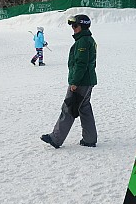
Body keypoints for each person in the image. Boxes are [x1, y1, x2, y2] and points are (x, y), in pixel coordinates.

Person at [41, 14, 97, 149]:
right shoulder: (87, 40)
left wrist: (74, 82)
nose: (73, 28)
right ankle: (90, 139)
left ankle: (56, 138)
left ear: (82, 26)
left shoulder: (83, 41)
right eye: (72, 25)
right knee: (84, 108)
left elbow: (81, 64)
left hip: (81, 82)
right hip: (87, 81)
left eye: (75, 25)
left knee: (69, 108)